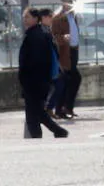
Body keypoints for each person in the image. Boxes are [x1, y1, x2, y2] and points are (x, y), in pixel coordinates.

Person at [17, 7, 68, 139]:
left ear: (35, 18)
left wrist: (28, 79)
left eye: (27, 17)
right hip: (37, 82)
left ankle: (54, 132)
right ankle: (56, 131)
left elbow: (36, 61)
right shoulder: (38, 34)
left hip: (35, 82)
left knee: (34, 114)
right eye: (24, 17)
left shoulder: (35, 36)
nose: (24, 20)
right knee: (36, 112)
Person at [50, 0, 83, 118]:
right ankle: (62, 108)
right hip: (65, 52)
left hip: (73, 51)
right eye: (69, 2)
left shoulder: (73, 16)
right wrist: (63, 38)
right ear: (63, 3)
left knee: (71, 80)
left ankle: (66, 108)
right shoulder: (57, 17)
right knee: (70, 79)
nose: (71, 4)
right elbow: (53, 36)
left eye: (72, 1)